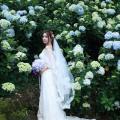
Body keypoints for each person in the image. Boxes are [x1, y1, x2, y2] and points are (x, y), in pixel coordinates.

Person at [37, 30, 94, 120]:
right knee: (49, 94)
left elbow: (52, 64)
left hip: (48, 74)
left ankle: (51, 116)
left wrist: (43, 68)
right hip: (46, 75)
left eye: (46, 37)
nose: (44, 38)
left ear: (50, 38)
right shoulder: (49, 48)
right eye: (43, 37)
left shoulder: (48, 48)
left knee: (49, 94)